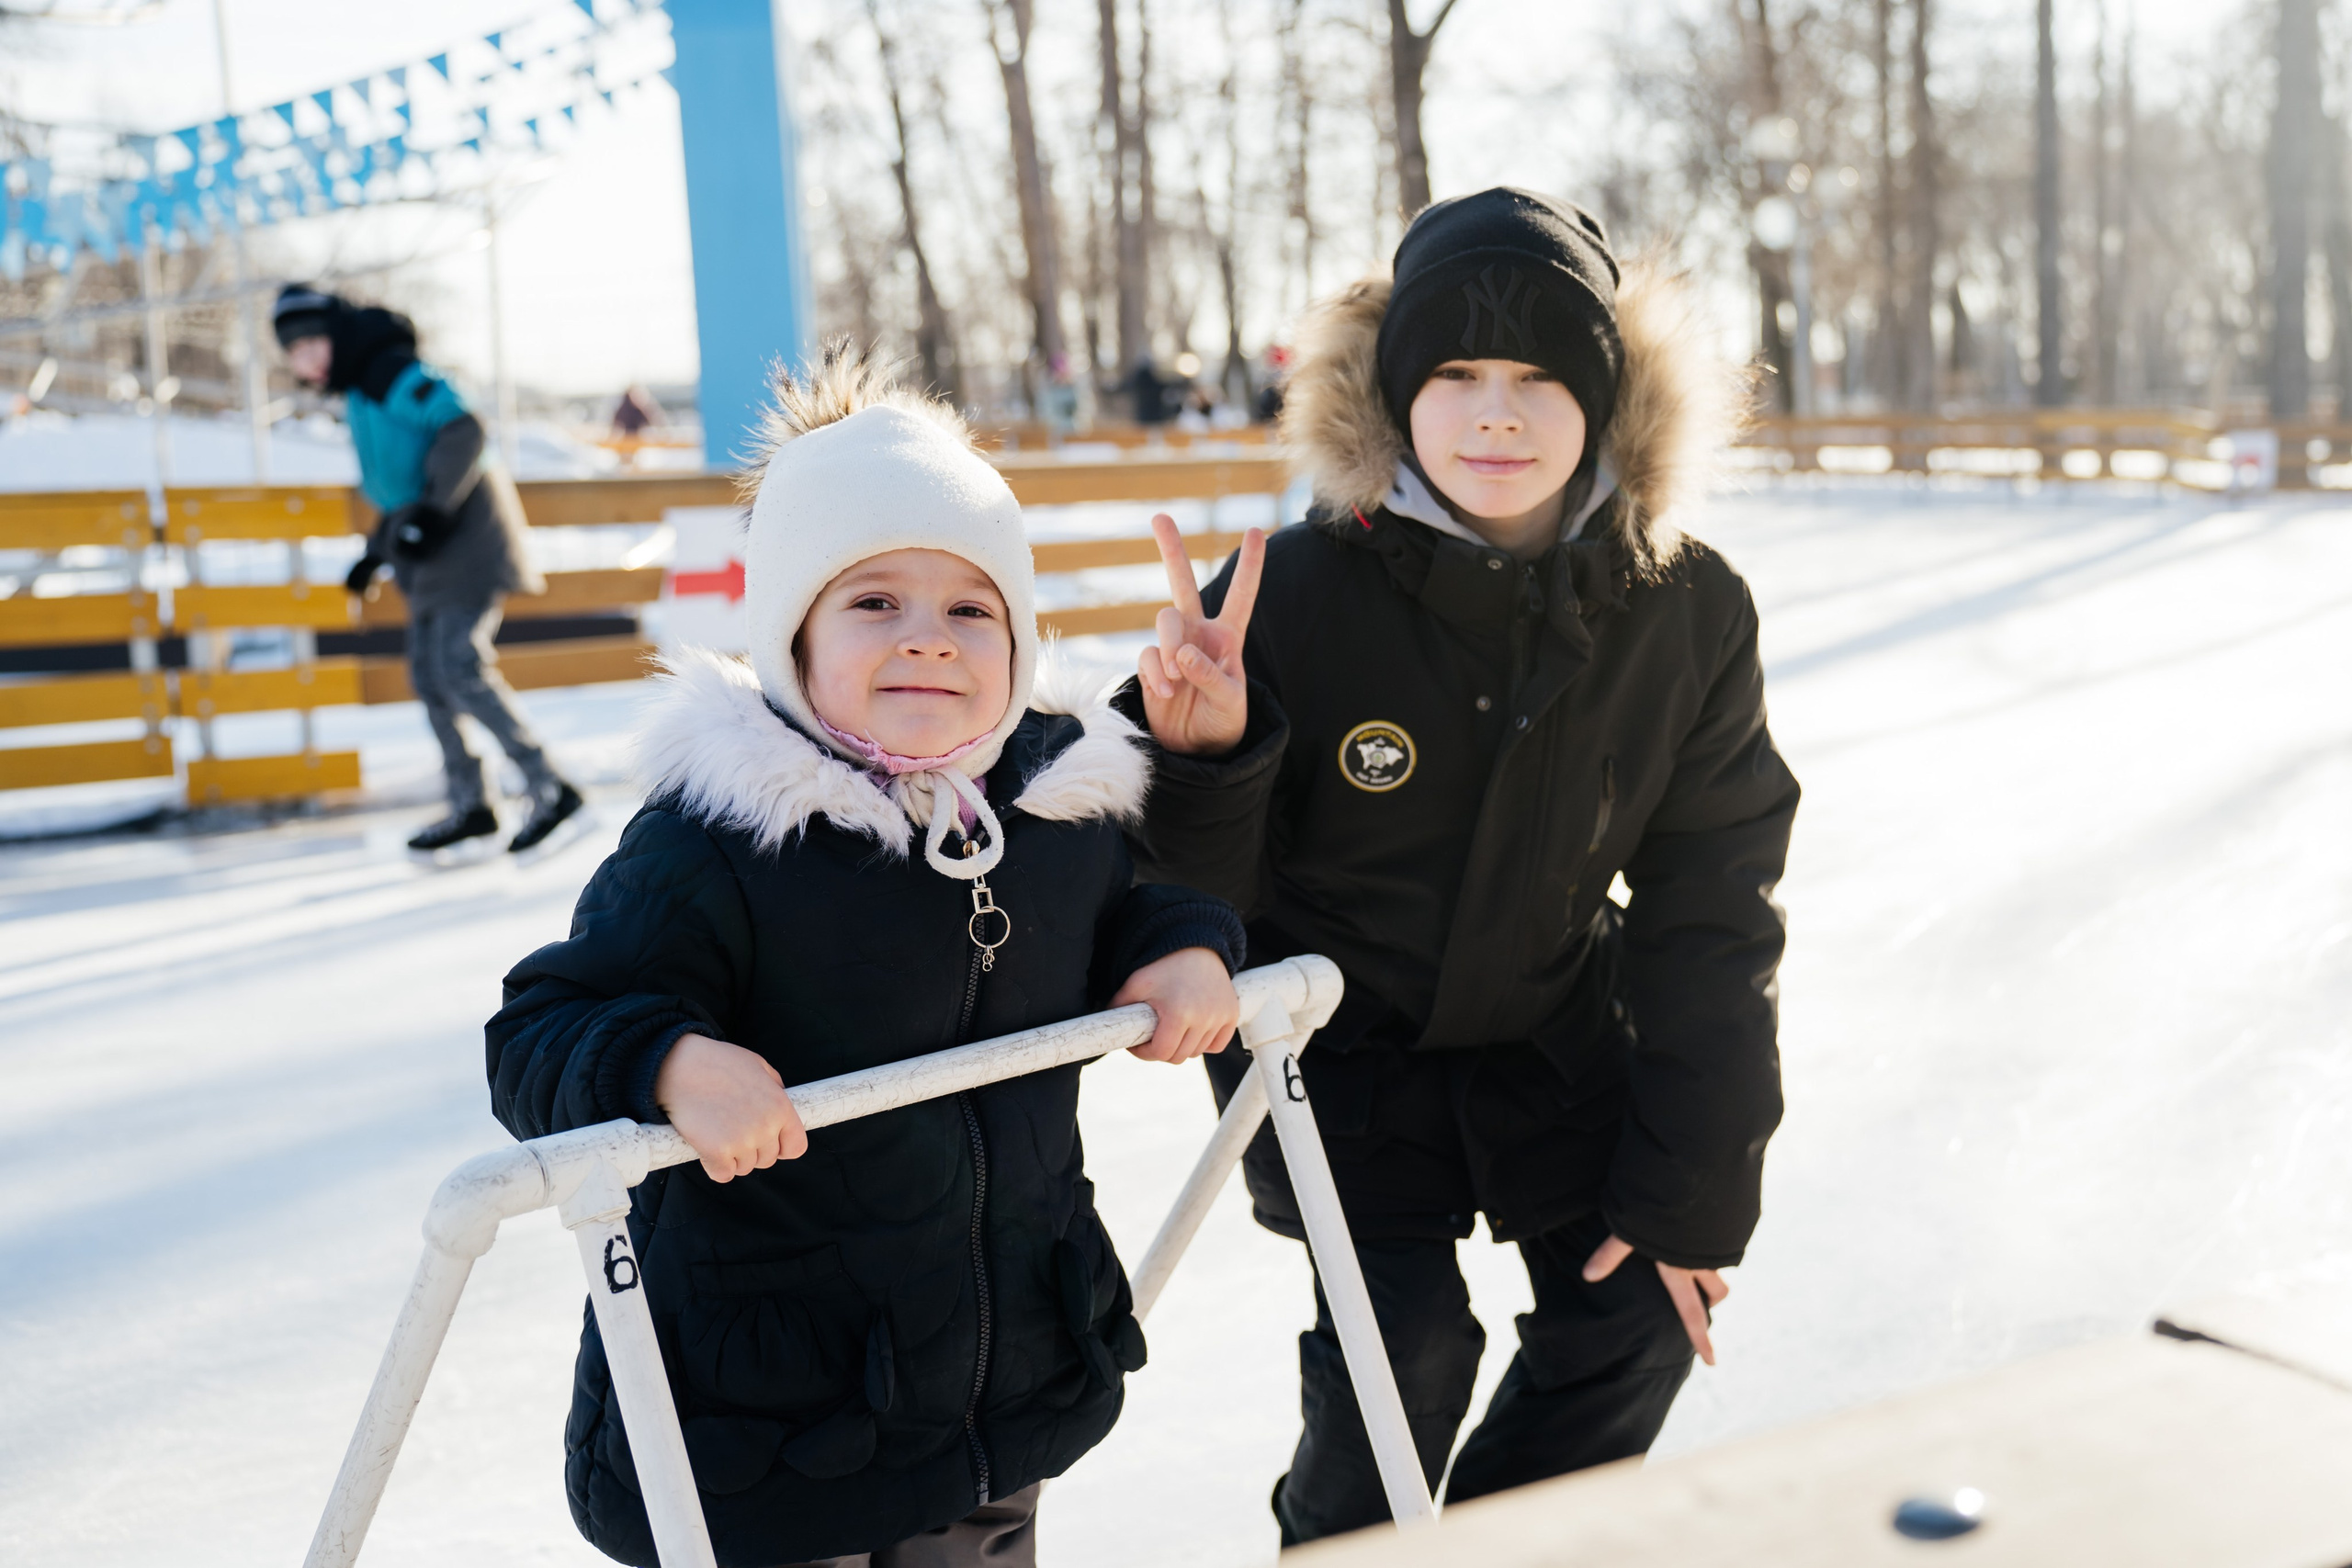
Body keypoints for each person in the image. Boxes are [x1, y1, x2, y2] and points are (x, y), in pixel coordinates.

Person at [484, 348, 1247, 1568]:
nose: (929, 641)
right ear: (791, 635)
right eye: (875, 603)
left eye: (970, 610)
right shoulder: (720, 840)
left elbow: (1132, 908)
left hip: (1002, 1383)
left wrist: (1182, 946)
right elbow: (540, 1028)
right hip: (774, 1424)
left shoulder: (1054, 814)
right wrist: (669, 1060)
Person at [1120, 187, 1800, 1543]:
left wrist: (1693, 1181)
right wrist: (1202, 759)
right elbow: (1183, 891)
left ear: (1607, 397)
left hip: (1557, 1033)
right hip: (1342, 1054)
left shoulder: (1686, 607)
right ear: (1391, 392)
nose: (1499, 415)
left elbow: (1715, 903)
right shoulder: (1292, 596)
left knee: (1636, 1316)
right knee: (1407, 1355)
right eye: (1457, 374)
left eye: (1542, 377)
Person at [272, 284, 582, 853]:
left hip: (468, 537)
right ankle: (473, 804)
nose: (305, 360)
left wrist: (435, 512)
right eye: (294, 351)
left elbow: (464, 427)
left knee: (458, 667)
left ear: (336, 336)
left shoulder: (388, 371)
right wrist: (378, 549)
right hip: (431, 548)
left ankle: (550, 785)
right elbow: (402, 485)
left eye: (312, 343)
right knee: (429, 673)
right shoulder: (360, 390)